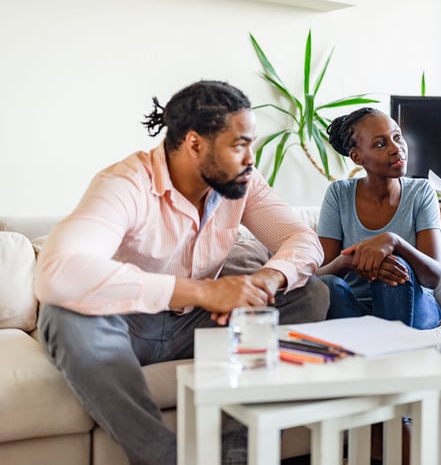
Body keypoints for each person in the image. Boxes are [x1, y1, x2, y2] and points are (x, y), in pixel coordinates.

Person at [34, 80, 329, 465]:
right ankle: (162, 458)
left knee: (312, 293)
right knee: (63, 315)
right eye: (239, 144)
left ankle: (235, 448)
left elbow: (302, 239)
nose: (251, 158)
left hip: (195, 327)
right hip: (125, 326)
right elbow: (56, 271)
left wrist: (266, 279)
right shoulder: (126, 183)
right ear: (195, 144)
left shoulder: (241, 182)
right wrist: (201, 292)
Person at [316, 107, 441, 330]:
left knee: (394, 266)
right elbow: (318, 274)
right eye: (380, 144)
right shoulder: (338, 194)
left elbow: (433, 277)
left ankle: (388, 351)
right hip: (355, 308)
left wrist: (394, 242)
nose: (397, 149)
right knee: (327, 284)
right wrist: (348, 262)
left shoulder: (421, 191)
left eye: (397, 137)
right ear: (357, 157)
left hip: (415, 305)